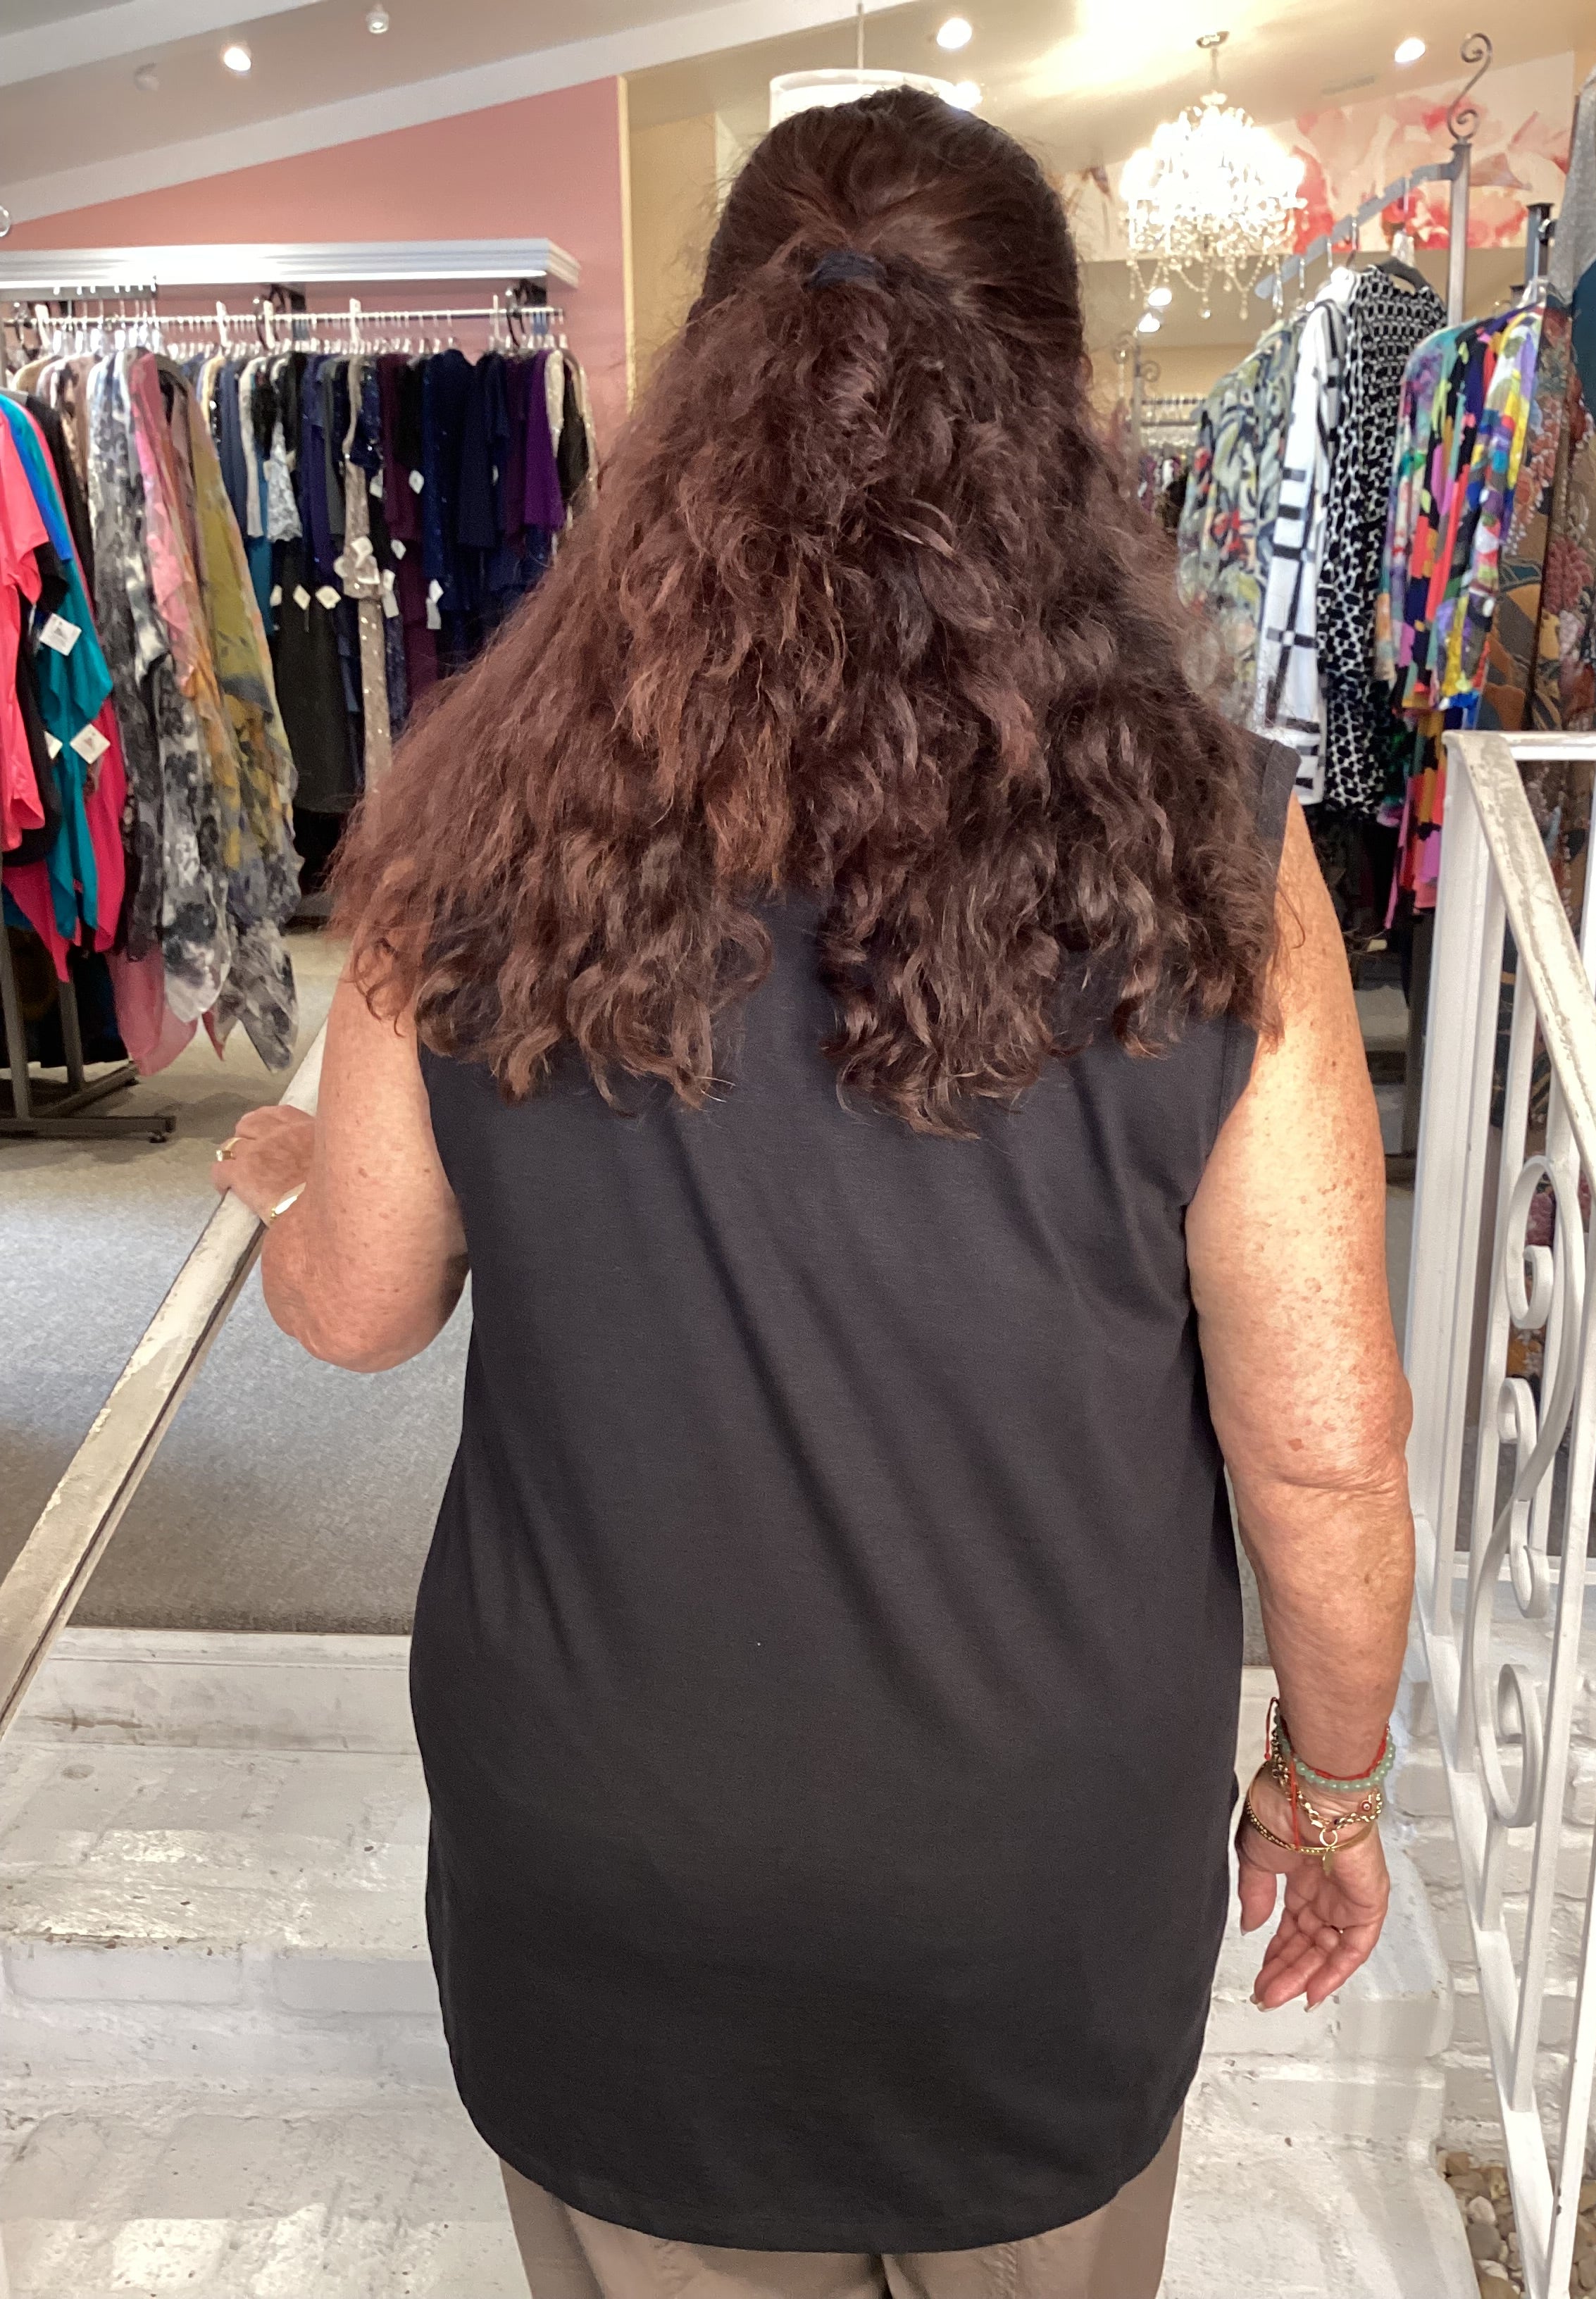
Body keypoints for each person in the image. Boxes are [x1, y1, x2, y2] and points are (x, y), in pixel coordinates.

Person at [212, 88, 1413, 2299]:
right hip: (1031, 1890)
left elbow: (356, 1304)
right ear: (1055, 408)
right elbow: (1323, 1449)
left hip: (612, 1870)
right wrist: (1328, 1793)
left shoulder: (482, 814)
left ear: (706, 389)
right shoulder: (1217, 855)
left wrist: (298, 1170)